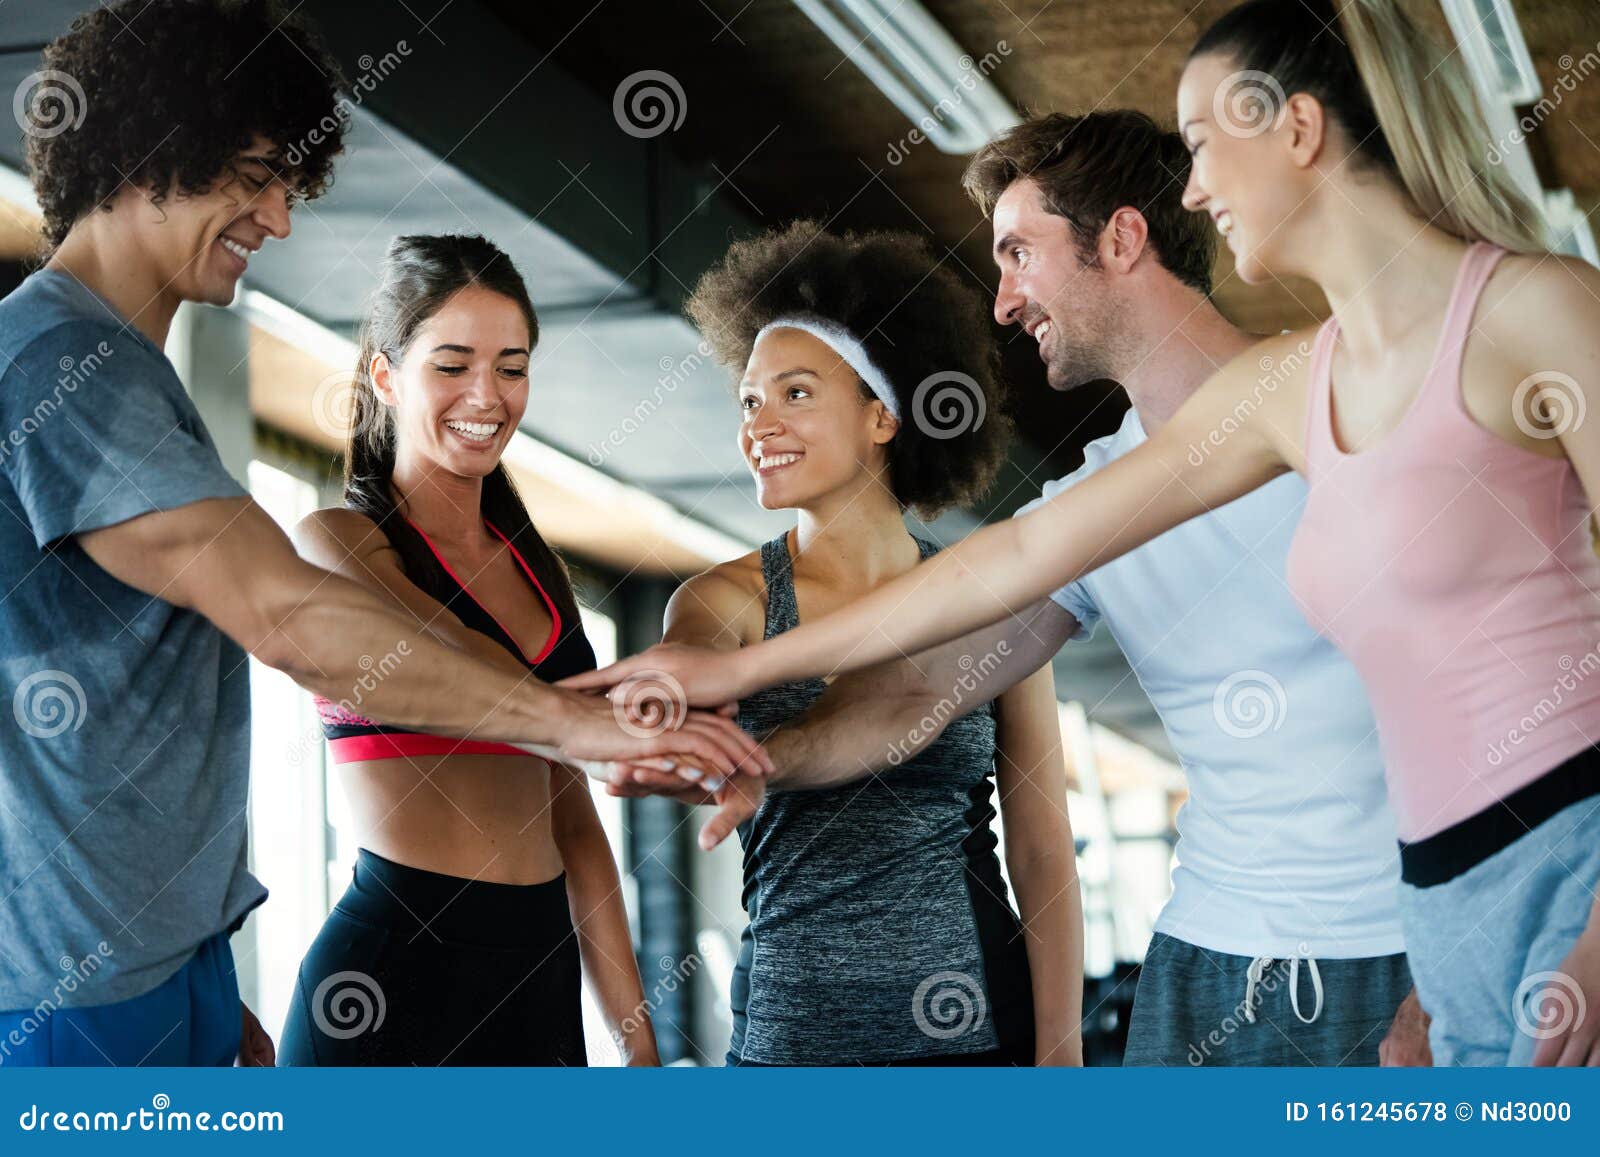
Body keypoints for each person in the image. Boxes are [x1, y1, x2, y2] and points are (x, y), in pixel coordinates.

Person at [572, 0, 1600, 1067]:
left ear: (1123, 236)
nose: (1004, 300)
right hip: (1224, 959)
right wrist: (756, 729)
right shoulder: (1256, 412)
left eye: (1019, 253)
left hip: (1438, 930)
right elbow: (961, 625)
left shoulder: (1473, 344)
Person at [0, 0, 763, 1069]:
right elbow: (290, 617)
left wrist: (204, 986)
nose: (279, 218)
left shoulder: (121, 377)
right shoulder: (53, 366)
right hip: (69, 997)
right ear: (149, 150)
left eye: (286, 184)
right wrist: (570, 723)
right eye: (257, 174)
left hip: (154, 979)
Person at [659, 223, 1080, 1065]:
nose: (759, 423)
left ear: (882, 414)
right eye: (749, 399)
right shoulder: (725, 603)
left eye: (796, 393)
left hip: (973, 1030)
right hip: (791, 1037)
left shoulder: (985, 596)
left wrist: (1062, 1050)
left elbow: (1040, 841)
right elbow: (682, 716)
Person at [274, 234, 656, 1065]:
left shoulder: (538, 570)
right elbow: (441, 649)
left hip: (538, 980)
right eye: (451, 364)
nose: (487, 394)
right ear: (384, 374)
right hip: (387, 986)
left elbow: (576, 824)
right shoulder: (336, 539)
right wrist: (597, 724)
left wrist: (642, 1047)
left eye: (511, 367)